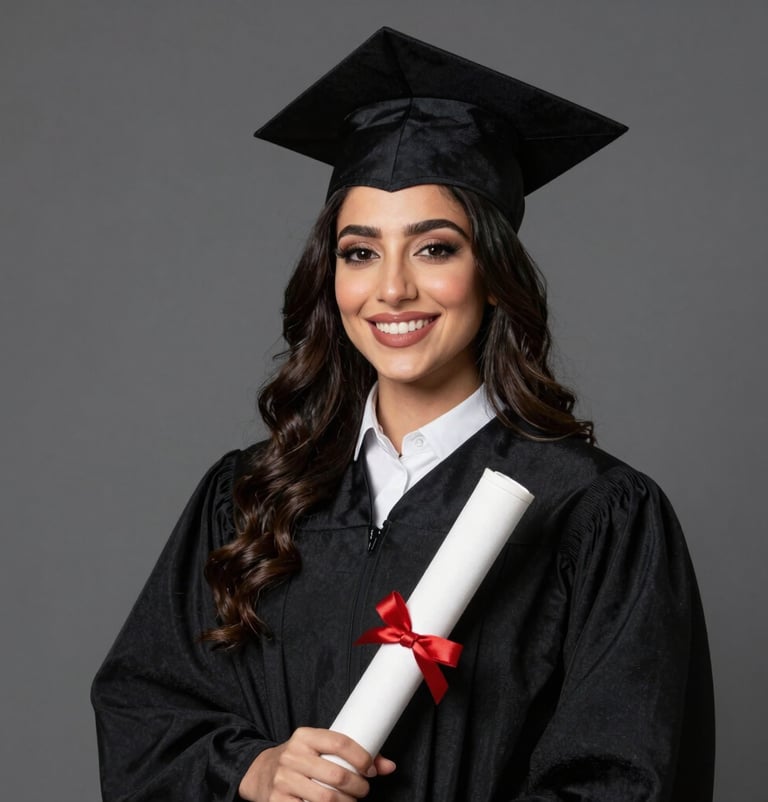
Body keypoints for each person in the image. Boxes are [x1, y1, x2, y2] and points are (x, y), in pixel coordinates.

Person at [91, 27, 715, 802]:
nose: (391, 290)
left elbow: (625, 780)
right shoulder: (249, 493)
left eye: (434, 248)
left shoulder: (595, 514)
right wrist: (251, 770)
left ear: (492, 272)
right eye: (359, 252)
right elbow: (144, 712)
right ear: (332, 278)